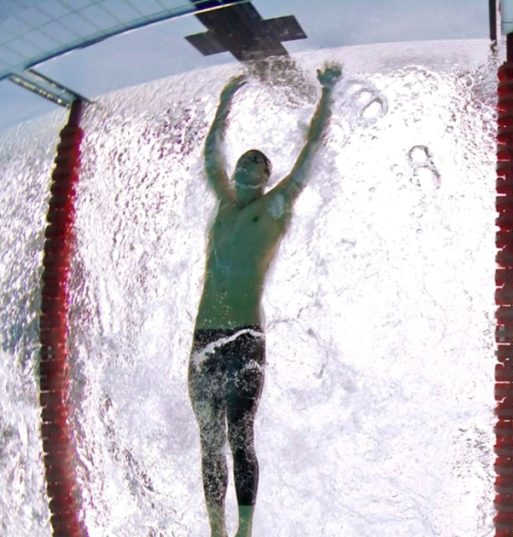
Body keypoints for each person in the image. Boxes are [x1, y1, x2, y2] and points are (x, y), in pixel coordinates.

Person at [189, 64, 341, 537]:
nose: (246, 164)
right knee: (208, 439)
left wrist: (327, 93)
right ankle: (216, 529)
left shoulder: (274, 208)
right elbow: (211, 154)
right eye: (243, 160)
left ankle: (245, 530)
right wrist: (224, 103)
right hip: (204, 339)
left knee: (239, 436)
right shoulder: (223, 204)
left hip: (243, 336)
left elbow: (310, 153)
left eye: (256, 162)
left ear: (265, 176)